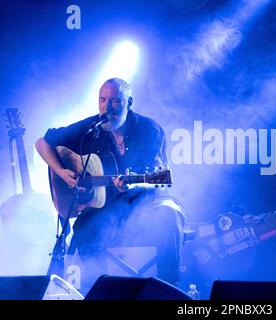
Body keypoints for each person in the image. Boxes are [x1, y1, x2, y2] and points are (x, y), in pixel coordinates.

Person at [35, 78, 185, 294]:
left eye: (115, 101)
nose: (107, 107)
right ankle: (98, 290)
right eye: (102, 100)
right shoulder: (92, 127)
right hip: (108, 205)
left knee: (168, 214)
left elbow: (156, 177)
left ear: (129, 102)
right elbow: (42, 142)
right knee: (84, 228)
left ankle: (168, 289)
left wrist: (132, 185)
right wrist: (61, 172)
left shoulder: (149, 130)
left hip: (147, 200)